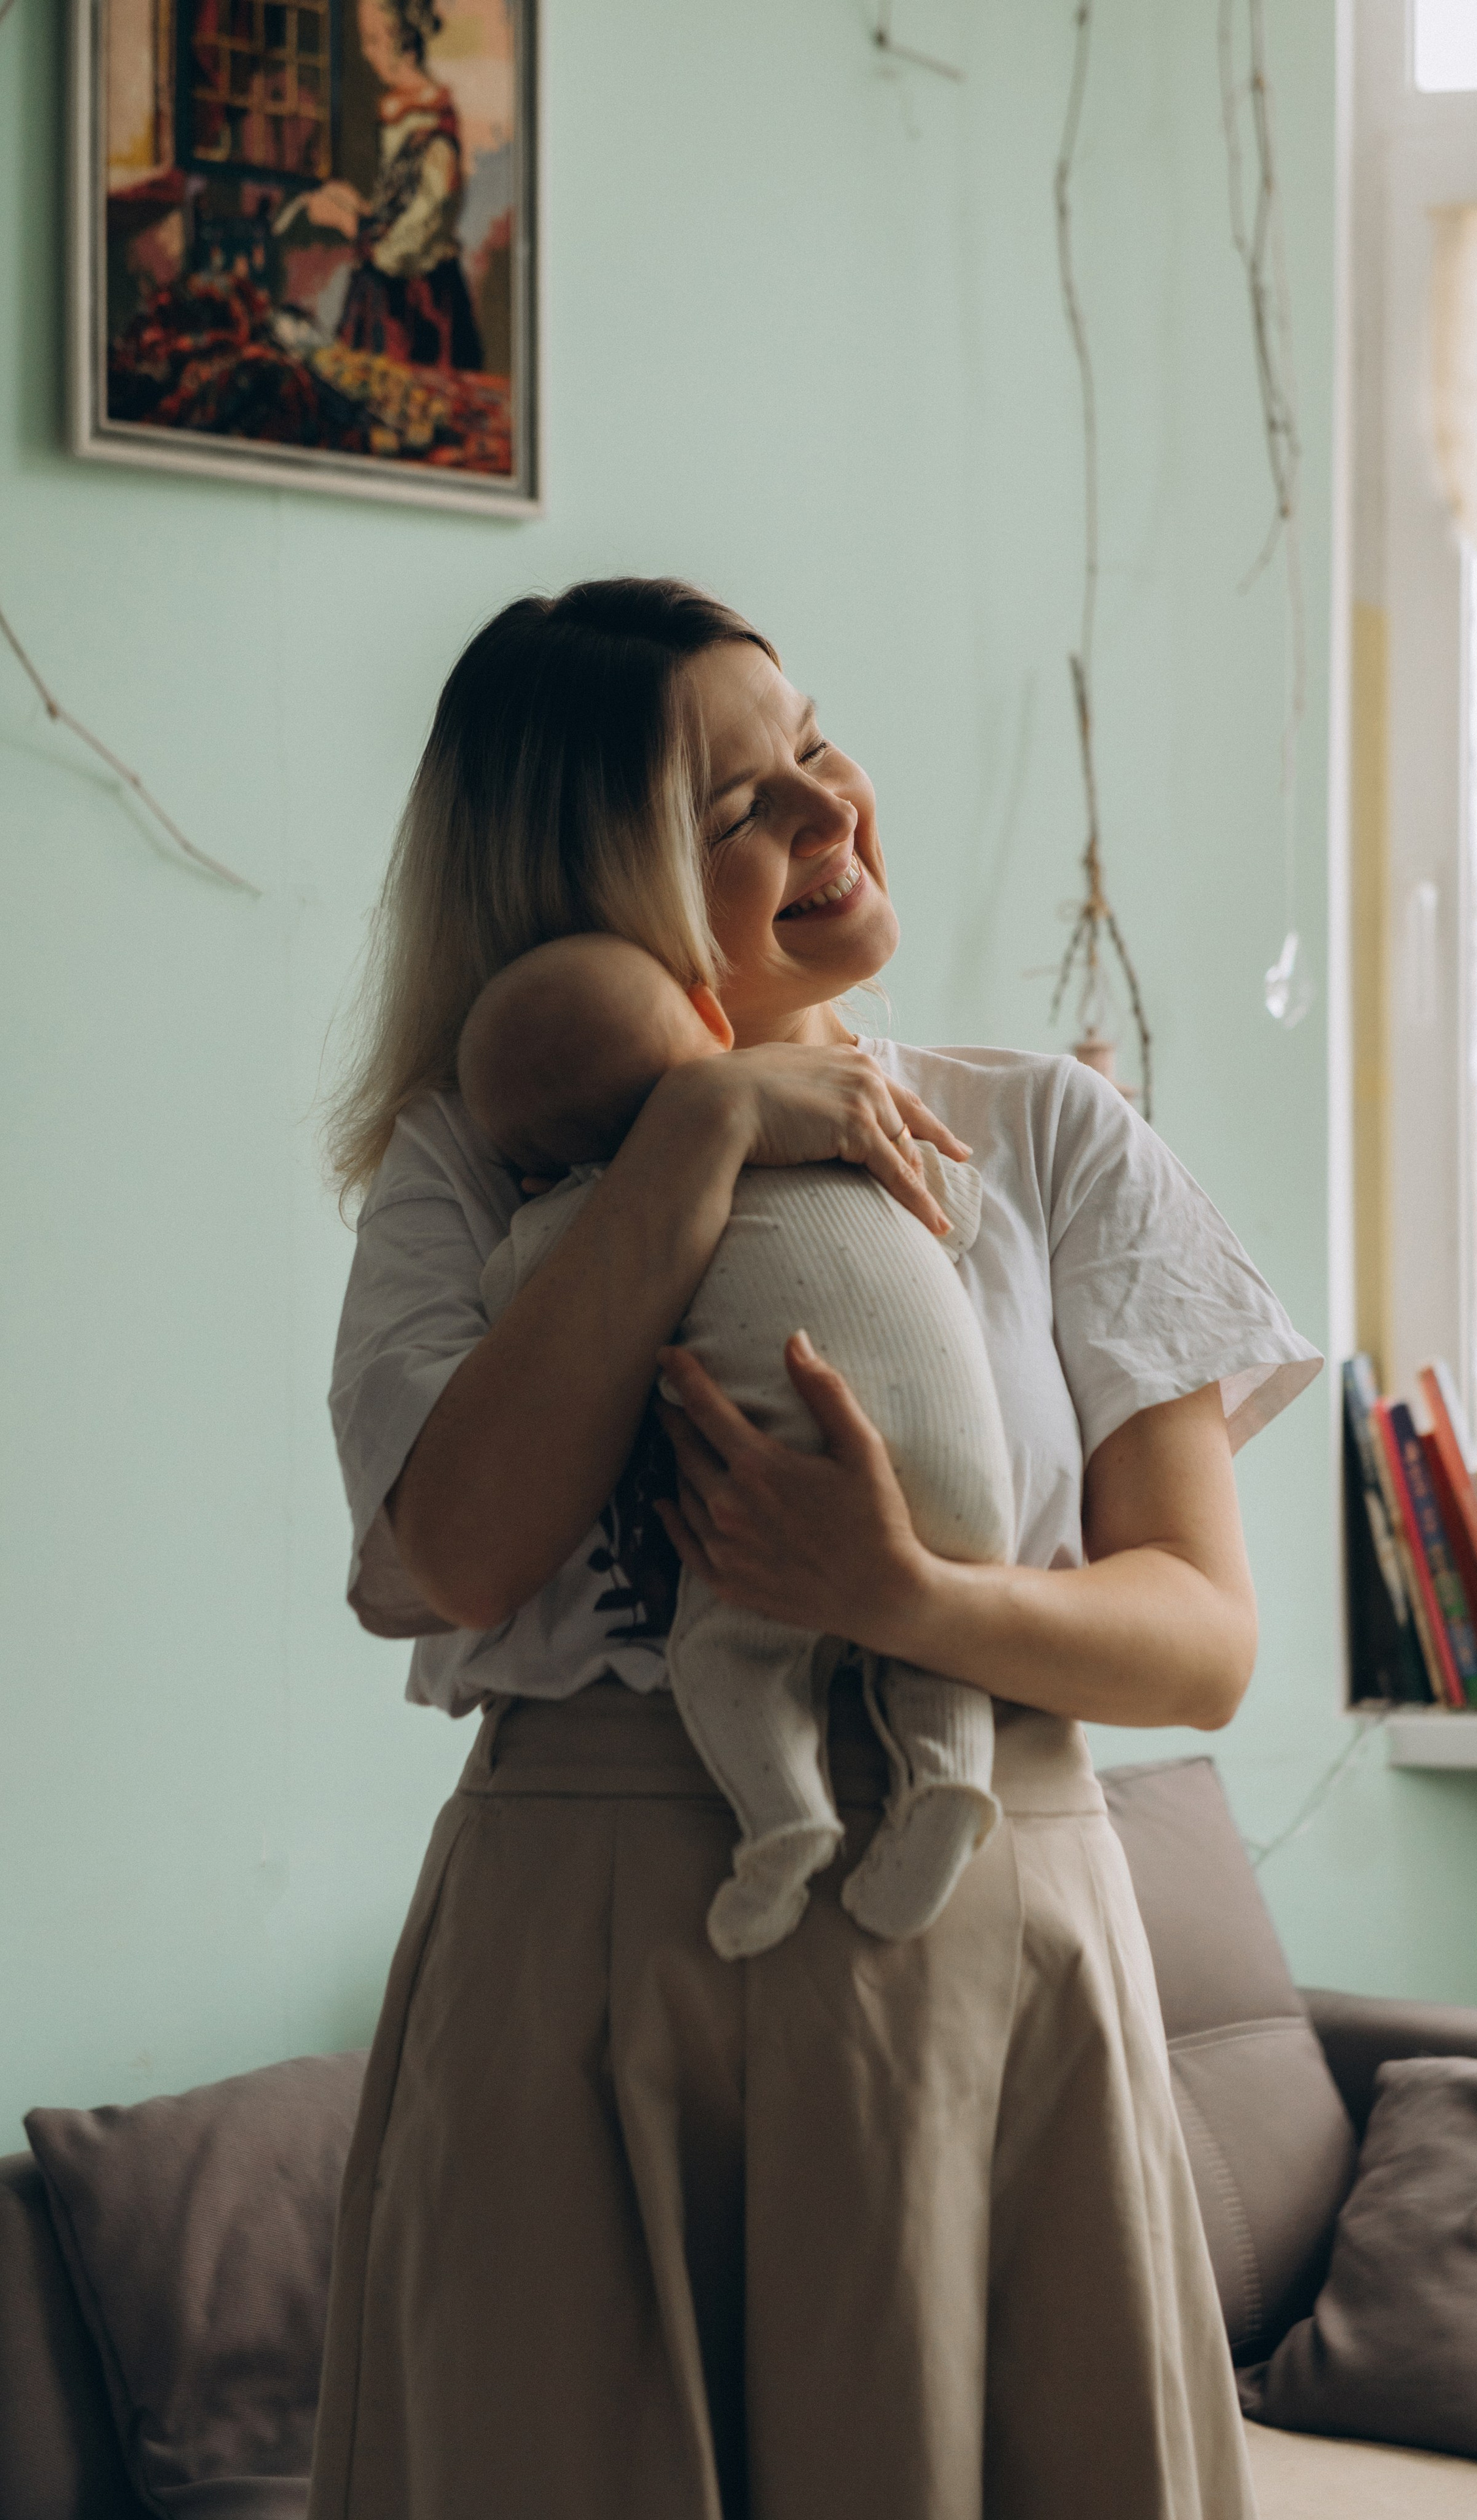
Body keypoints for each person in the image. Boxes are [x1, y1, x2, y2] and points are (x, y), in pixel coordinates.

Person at [309, 576, 1322, 2520]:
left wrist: (904, 1599)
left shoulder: (1045, 1136)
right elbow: (456, 1551)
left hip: (988, 1952)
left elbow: (1197, 1640)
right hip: (585, 1974)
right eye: (734, 808)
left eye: (812, 747)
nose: (825, 808)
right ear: (592, 890)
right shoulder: (463, 1167)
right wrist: (697, 1132)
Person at [459, 931, 1014, 1957]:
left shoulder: (591, 1220)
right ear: (714, 1020)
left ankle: (785, 1821)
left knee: (732, 1651)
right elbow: (960, 1213)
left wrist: (541, 1224)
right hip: (977, 1483)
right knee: (942, 1649)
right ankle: (948, 1779)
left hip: (786, 1489)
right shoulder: (854, 1124)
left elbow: (517, 1318)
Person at [295, 0, 483, 373]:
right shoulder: (395, 109)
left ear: (405, 43)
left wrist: (355, 227)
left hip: (418, 301)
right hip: (383, 290)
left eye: (374, 40)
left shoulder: (434, 122)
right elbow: (397, 206)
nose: (366, 53)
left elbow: (424, 225)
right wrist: (361, 209)